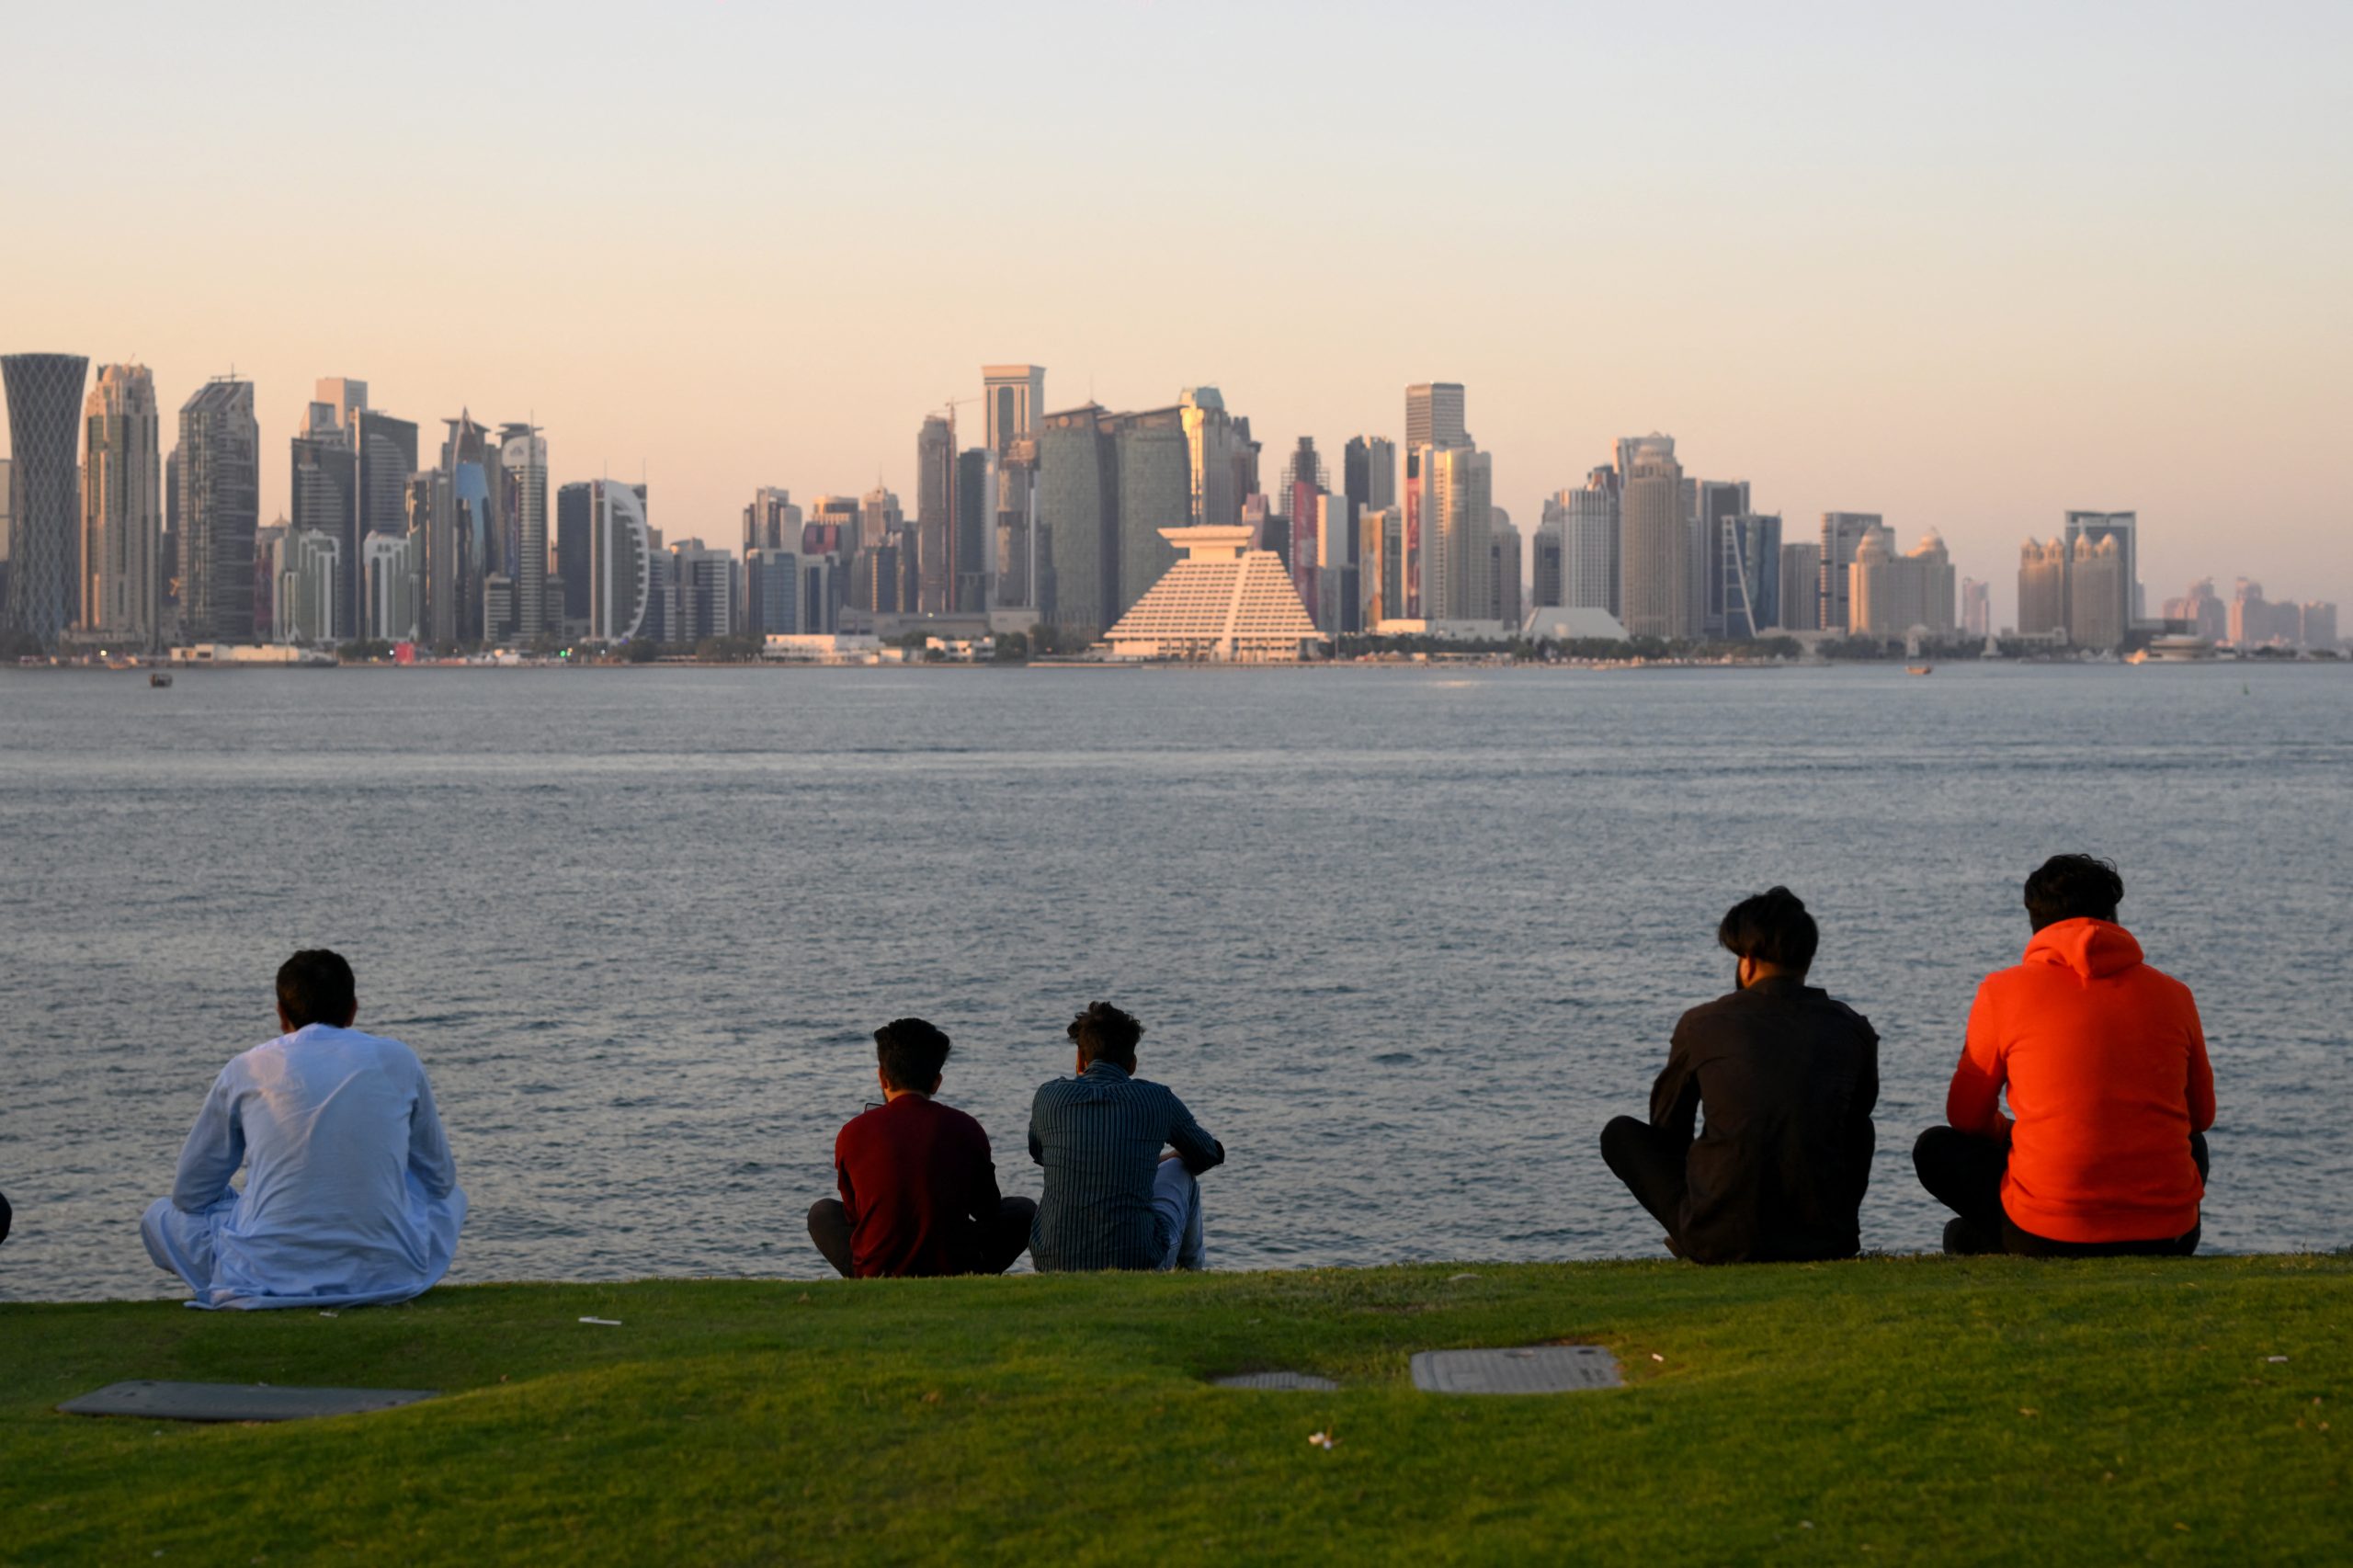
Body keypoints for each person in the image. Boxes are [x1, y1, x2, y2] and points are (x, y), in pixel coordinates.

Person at [1914, 855, 2213, 1257]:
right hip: (2166, 1237)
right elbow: (2200, 1117)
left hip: (2048, 1235)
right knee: (2193, 1142)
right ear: (2112, 916)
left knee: (1936, 1148)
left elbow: (1965, 1118)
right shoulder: (2175, 995)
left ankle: (1987, 1241)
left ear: (2034, 923)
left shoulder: (2002, 992)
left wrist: (2011, 1133)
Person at [141, 949, 466, 1309]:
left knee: (161, 1216)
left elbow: (189, 1195)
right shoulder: (399, 1059)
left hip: (263, 1273)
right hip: (390, 1273)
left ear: (281, 1014)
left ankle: (251, 1272)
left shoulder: (247, 1068)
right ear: (353, 1010)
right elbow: (440, 1181)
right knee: (449, 1198)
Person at [1599, 887, 1880, 1264]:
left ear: (1746, 963)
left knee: (1620, 1133)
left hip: (1719, 1240)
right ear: (1805, 962)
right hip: (1827, 1240)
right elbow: (1856, 1117)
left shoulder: (1700, 1024)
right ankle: (1827, 1230)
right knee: (1861, 1128)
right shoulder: (1853, 1028)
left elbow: (1667, 1130)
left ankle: (1693, 1232)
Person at [807, 1017, 1035, 1278]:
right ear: (937, 1082)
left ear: (882, 1077)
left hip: (878, 1267)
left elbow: (854, 1215)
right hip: (954, 1265)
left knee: (821, 1213)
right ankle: (973, 1274)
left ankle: (866, 1276)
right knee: (1023, 1210)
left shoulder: (852, 1132)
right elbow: (986, 1209)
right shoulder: (966, 1127)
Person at [1028, 1001, 1223, 1272]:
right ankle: (1191, 1276)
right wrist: (1172, 1156)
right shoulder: (1156, 1099)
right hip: (1136, 1260)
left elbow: (1041, 1155)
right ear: (1132, 1064)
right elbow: (1209, 1154)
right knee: (1181, 1169)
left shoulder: (1048, 1097)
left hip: (1052, 1259)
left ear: (1080, 1061)